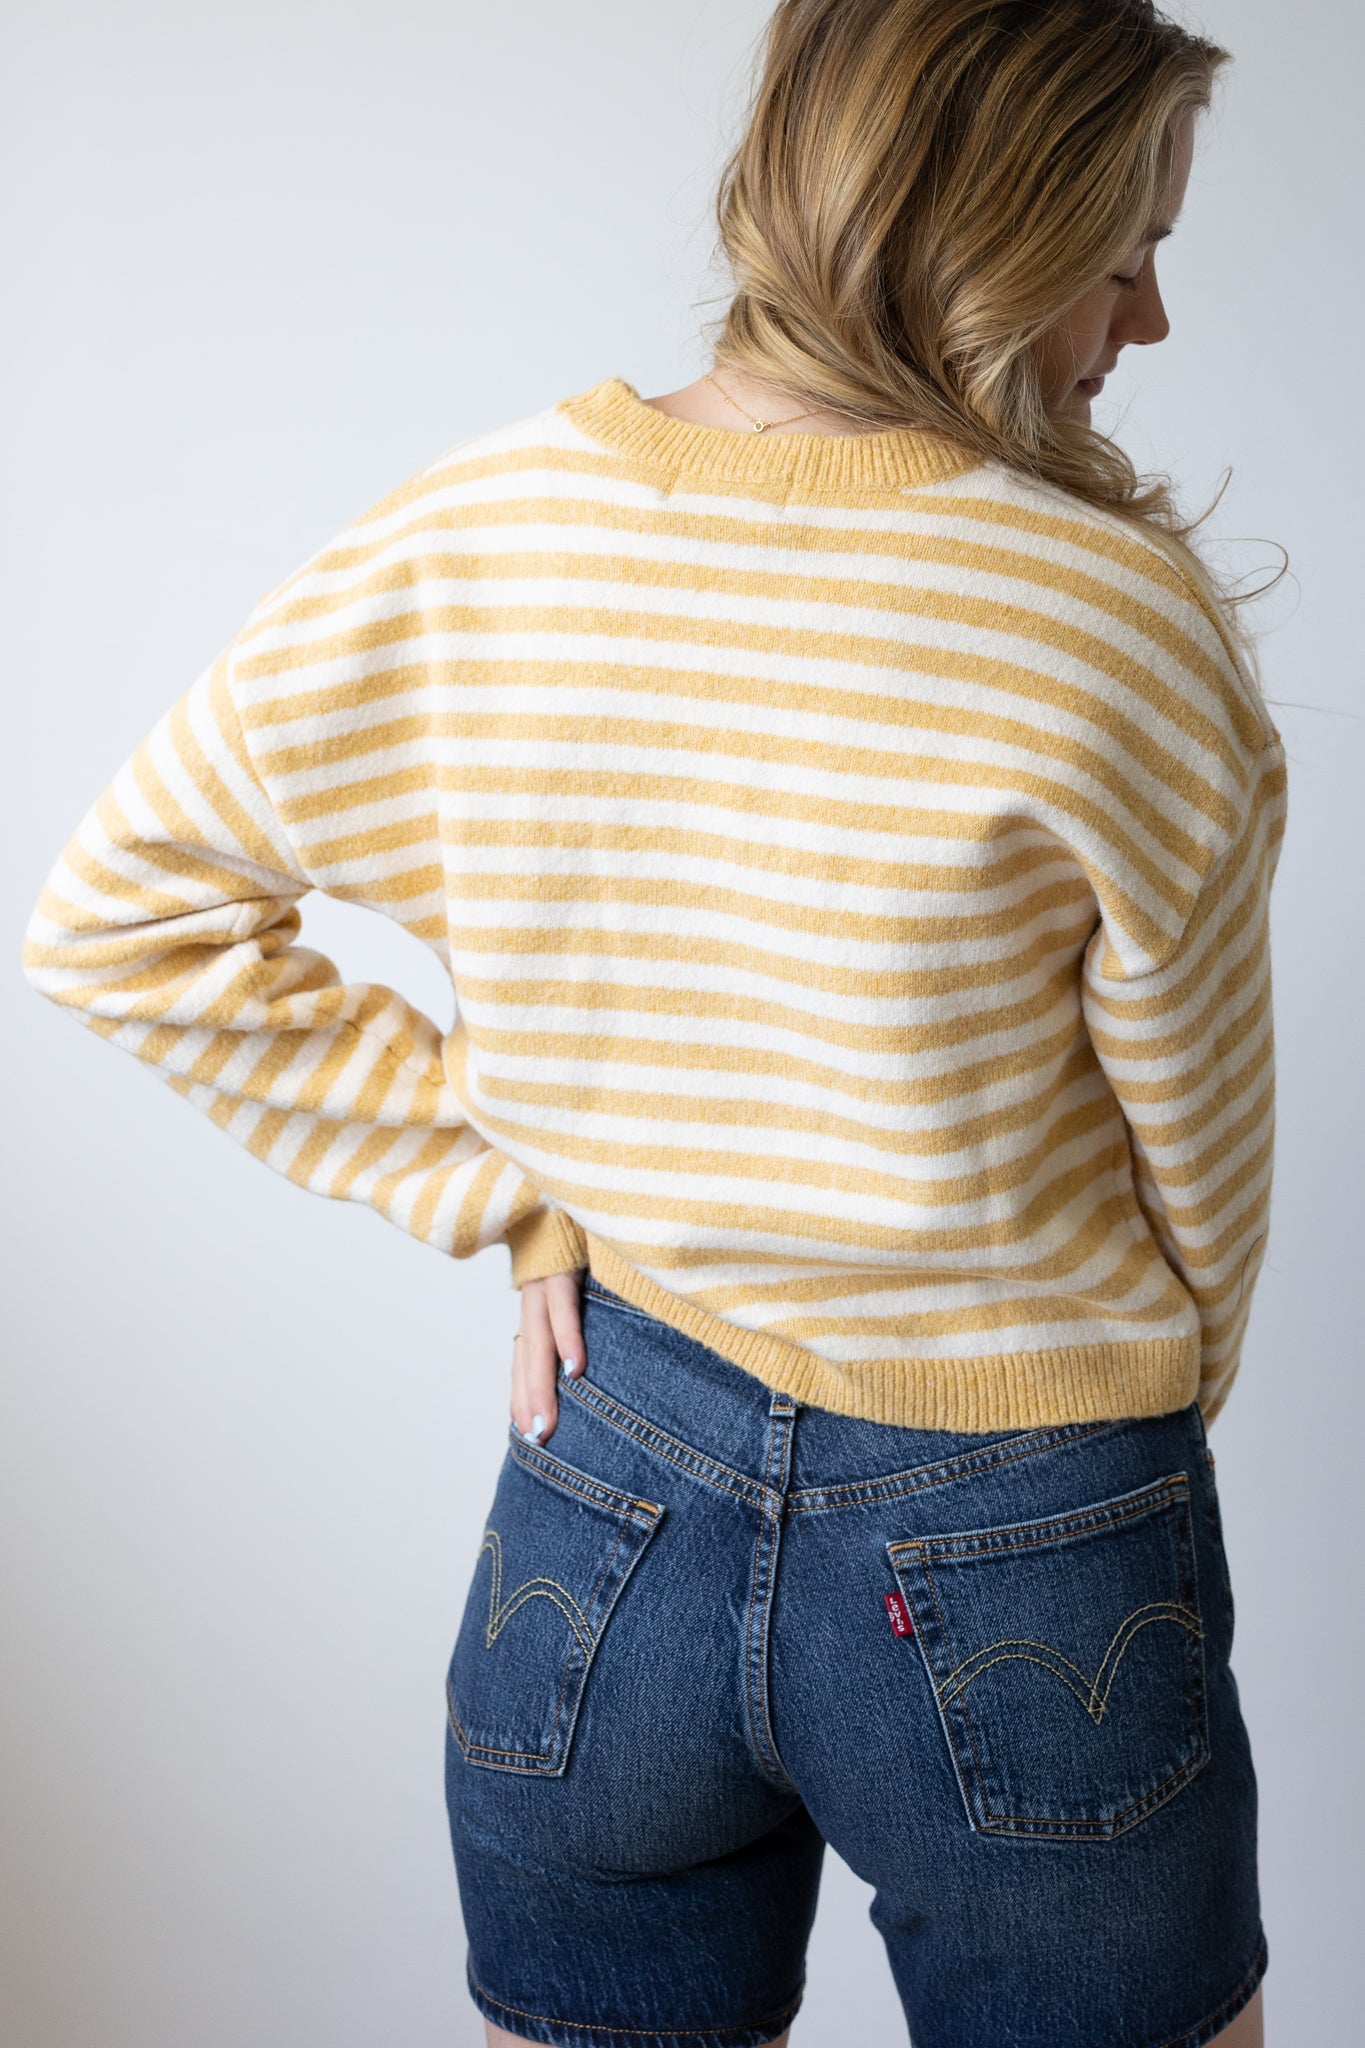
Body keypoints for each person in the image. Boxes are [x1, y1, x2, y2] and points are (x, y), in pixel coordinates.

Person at [21, 2, 1286, 2043]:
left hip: (600, 1489)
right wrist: (1100, 1471)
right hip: (1022, 1527)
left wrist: (513, 1196)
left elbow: (123, 916)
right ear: (978, 216)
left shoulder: (482, 530)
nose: (1144, 312)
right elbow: (1193, 1187)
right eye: (1118, 242)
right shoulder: (1105, 623)